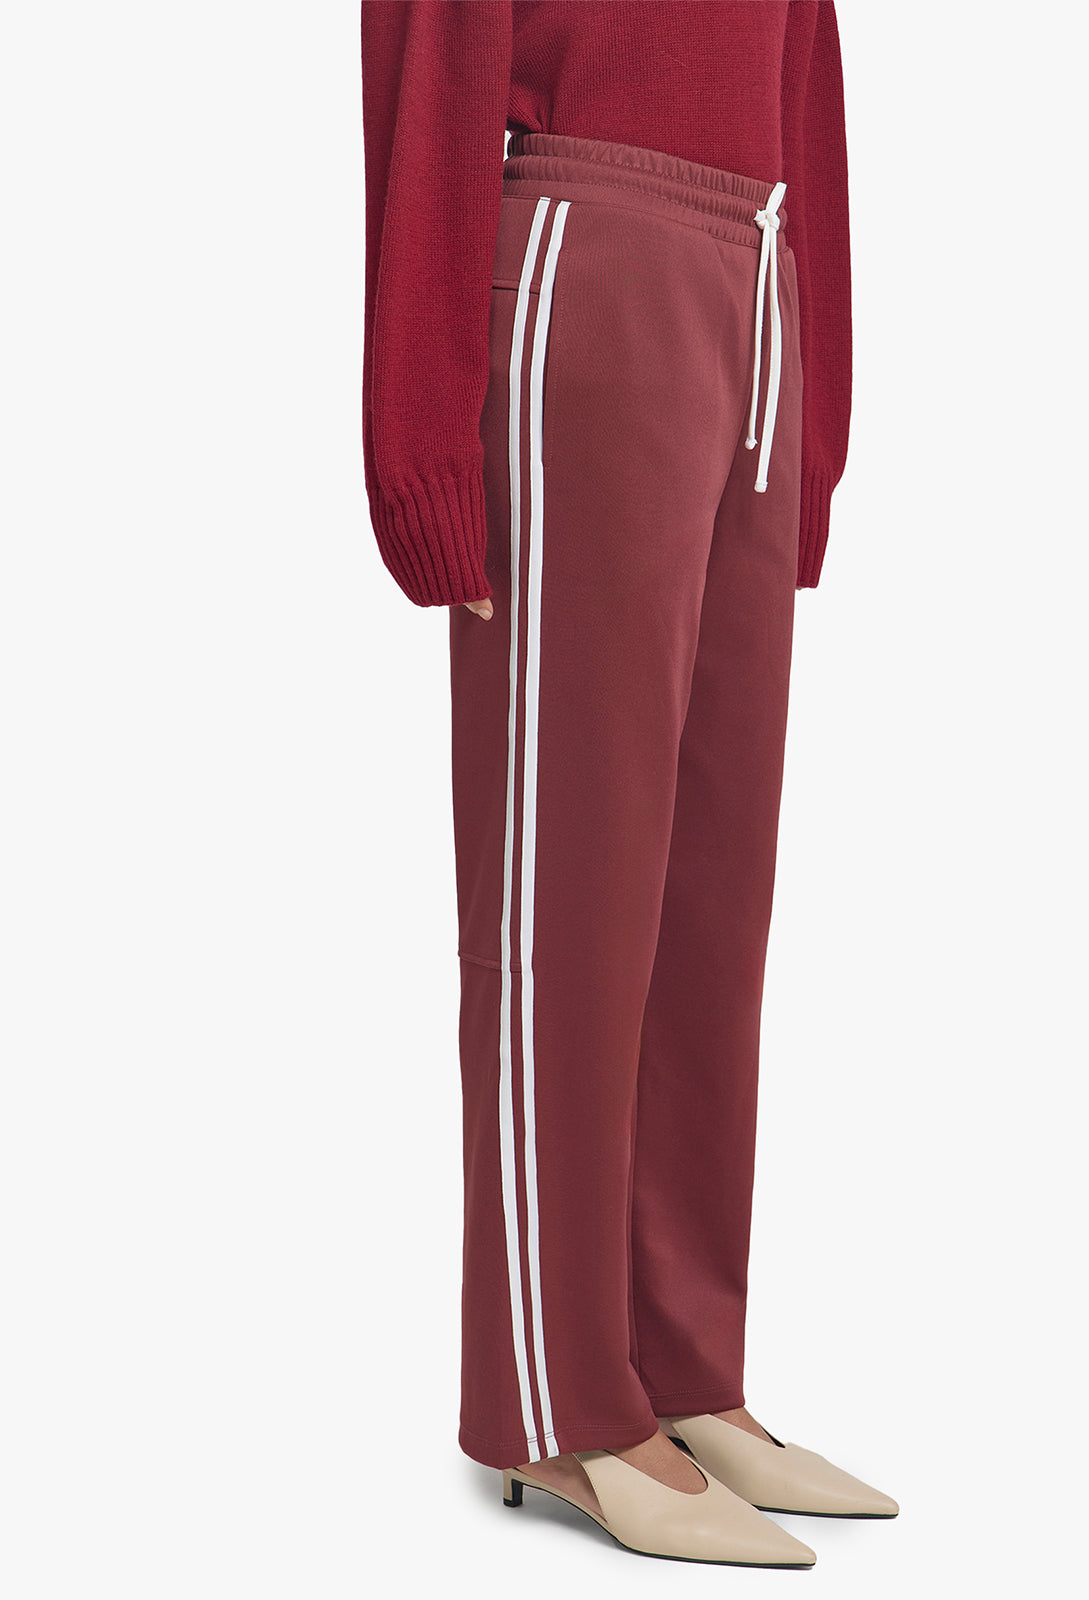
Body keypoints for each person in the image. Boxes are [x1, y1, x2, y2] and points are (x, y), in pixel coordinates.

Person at [360, 0, 897, 1567]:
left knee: (708, 897)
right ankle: (554, 1398)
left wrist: (806, 429)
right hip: (581, 256)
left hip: (751, 280)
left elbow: (801, 76)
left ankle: (678, 1369)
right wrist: (422, 454)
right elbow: (427, 60)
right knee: (571, 891)